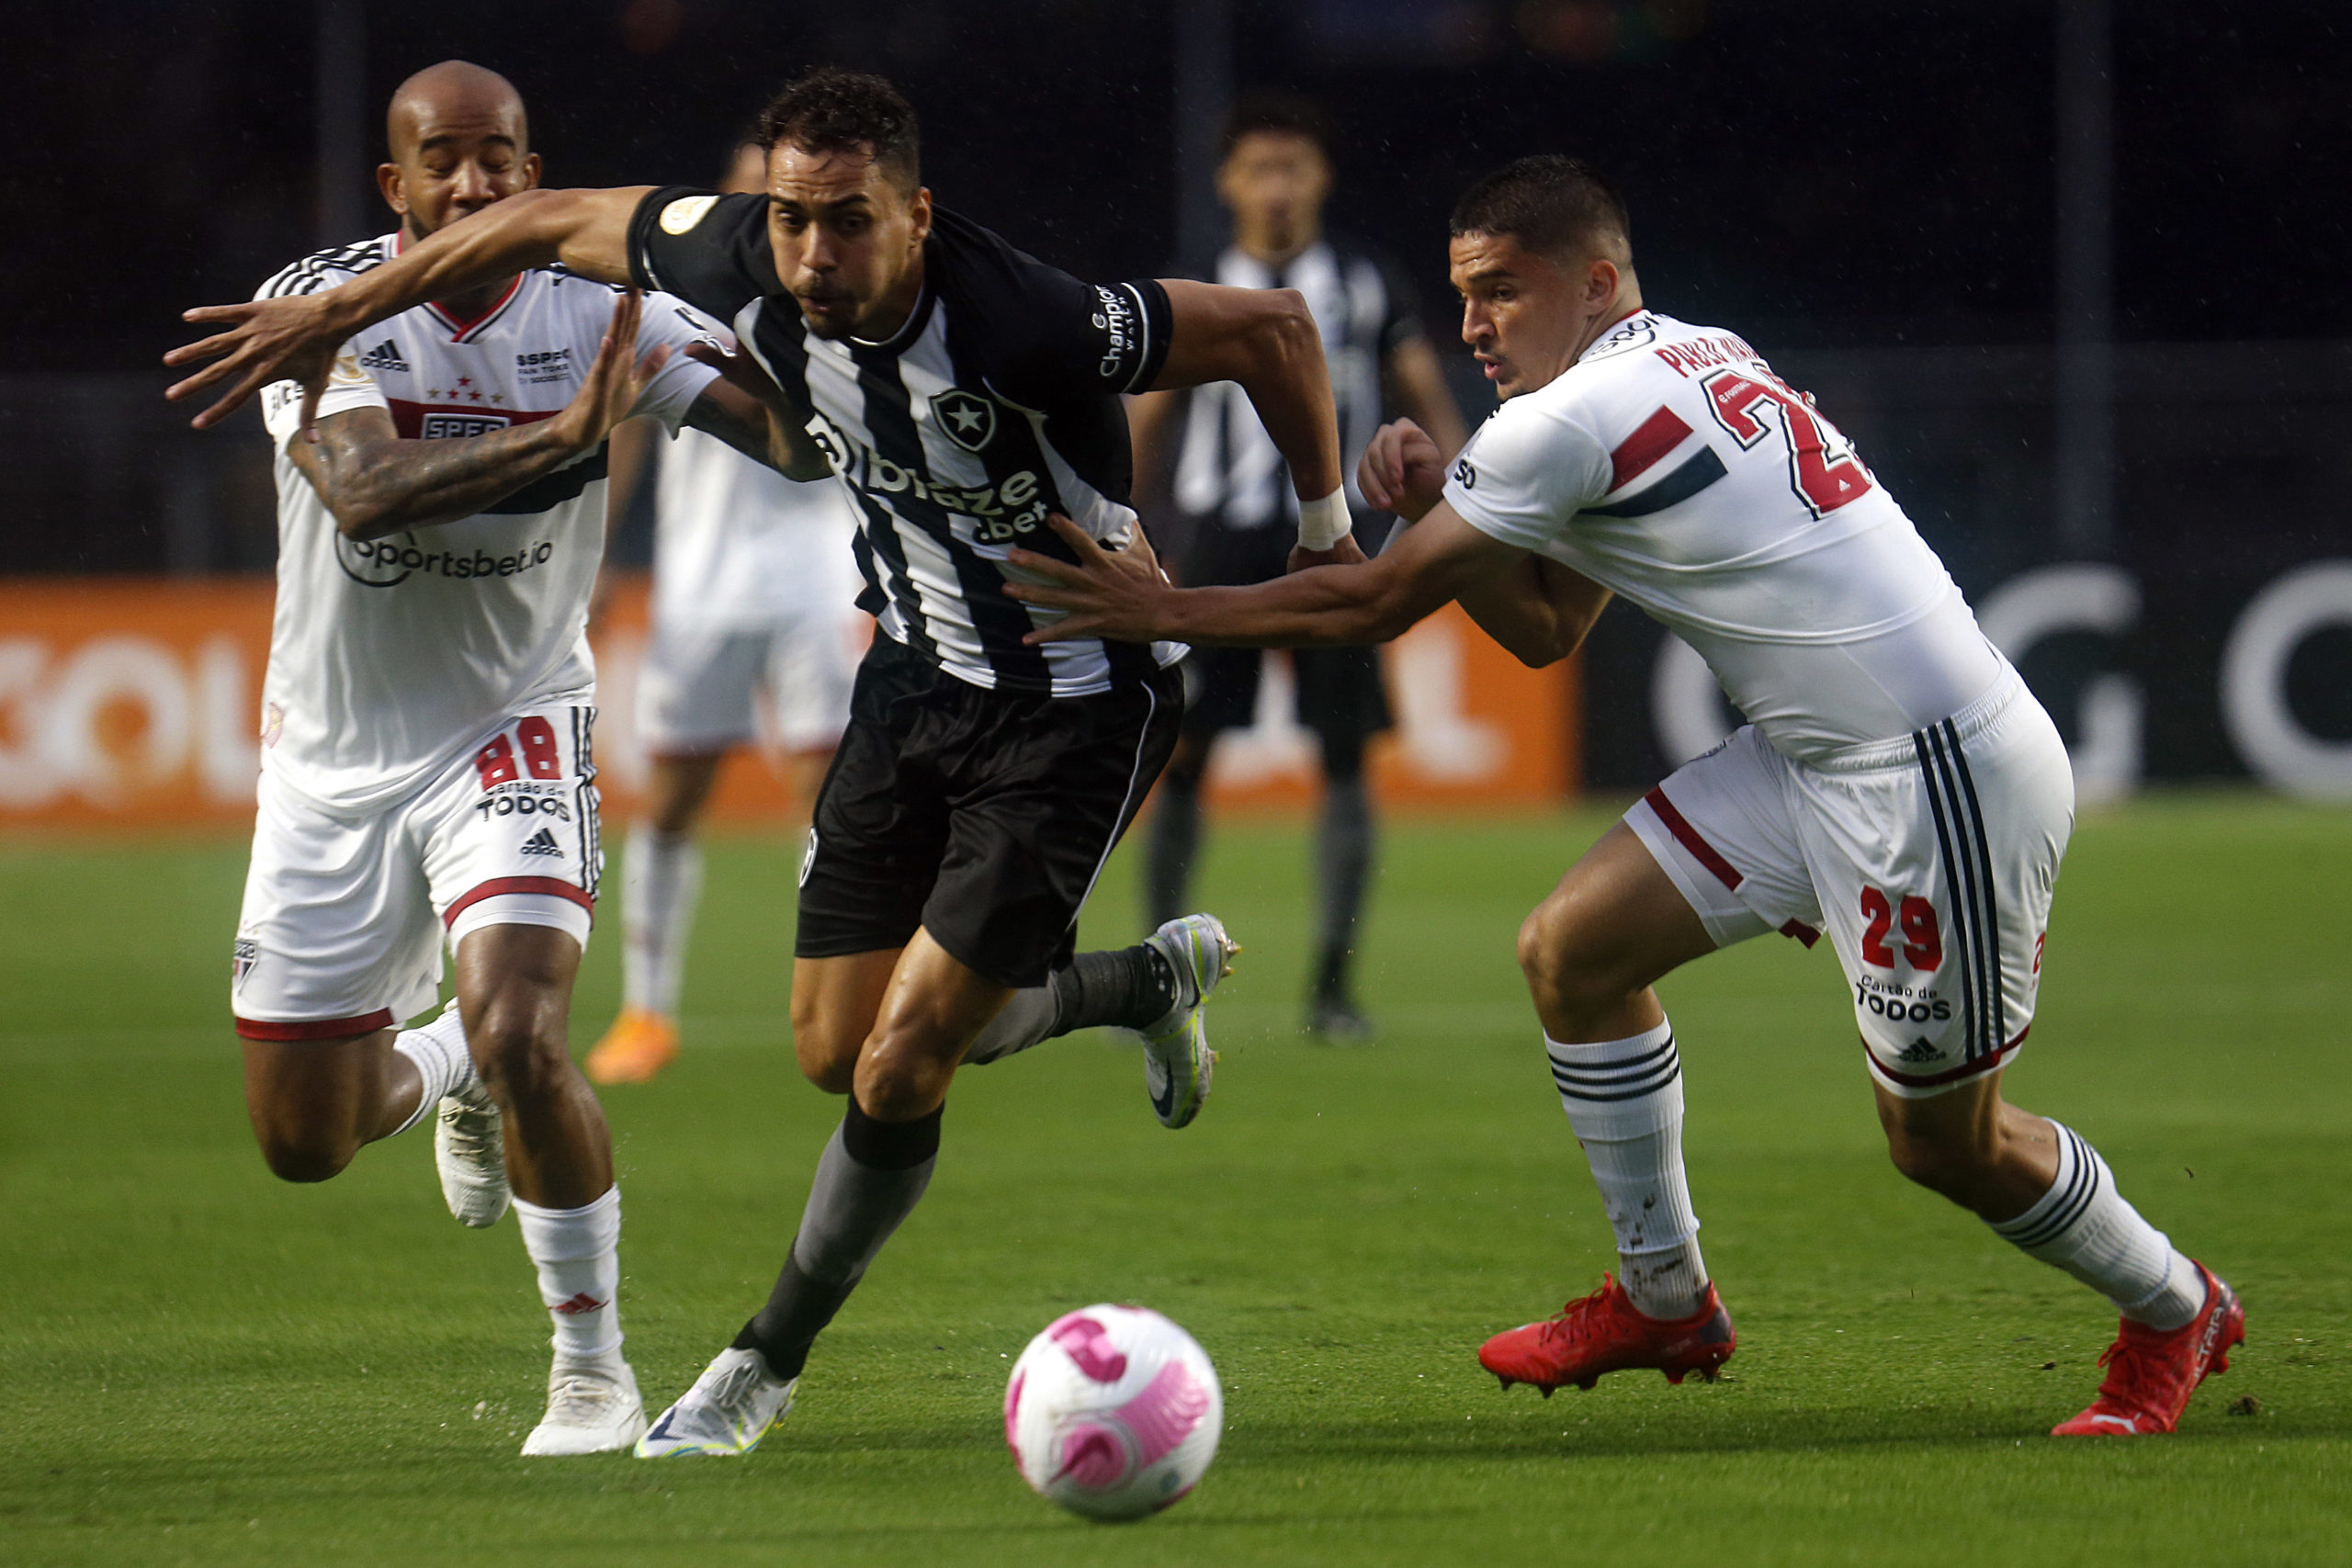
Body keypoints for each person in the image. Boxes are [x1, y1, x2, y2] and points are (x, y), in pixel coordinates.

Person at [169, 67, 1351, 1458]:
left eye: (846, 223)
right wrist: (346, 316)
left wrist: (1324, 538)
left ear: (914, 214)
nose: (810, 255)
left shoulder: (1023, 314)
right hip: (891, 682)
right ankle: (1136, 979)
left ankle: (736, 1369)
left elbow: (1266, 326)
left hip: (1064, 698)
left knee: (889, 1055)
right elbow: (504, 288)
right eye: (791, 221)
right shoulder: (708, 252)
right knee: (825, 1050)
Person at [1004, 155, 2242, 1438]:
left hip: (1933, 777)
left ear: (1594, 282)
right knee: (1574, 949)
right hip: (1816, 756)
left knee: (1944, 1142)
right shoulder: (1689, 351)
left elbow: (1373, 602)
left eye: (1500, 292)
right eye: (1463, 295)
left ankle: (2174, 1304)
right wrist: (1441, 501)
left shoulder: (1563, 420)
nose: (1473, 325)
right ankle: (1666, 1297)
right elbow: (1550, 624)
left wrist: (1161, 608)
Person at [198, 62, 823, 1455]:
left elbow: (792, 438)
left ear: (536, 175)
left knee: (531, 1025)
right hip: (334, 758)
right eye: (447, 162)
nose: (476, 183)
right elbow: (360, 497)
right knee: (306, 1137)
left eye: (502, 160)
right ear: (396, 186)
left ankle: (591, 1372)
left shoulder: (605, 308)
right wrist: (564, 437)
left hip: (516, 720)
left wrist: (808, 327)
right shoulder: (327, 301)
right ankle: (446, 1063)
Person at [1129, 92, 1468, 1038]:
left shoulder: (1364, 279)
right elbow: (1149, 414)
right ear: (1228, 182)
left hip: (1340, 542)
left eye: (1294, 168)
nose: (1277, 188)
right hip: (1215, 543)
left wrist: (1476, 490)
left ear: (1320, 179)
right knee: (1185, 754)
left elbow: (1425, 394)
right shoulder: (1196, 278)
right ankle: (1154, 975)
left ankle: (1331, 988)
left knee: (1345, 756)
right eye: (1259, 169)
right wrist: (1126, 521)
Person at [585, 139, 867, 1088]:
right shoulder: (677, 300)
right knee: (671, 798)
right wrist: (599, 555)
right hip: (699, 579)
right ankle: (647, 1012)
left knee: (825, 794)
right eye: (752, 194)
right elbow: (626, 418)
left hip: (819, 577)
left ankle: (831, 1000)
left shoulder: (840, 299)